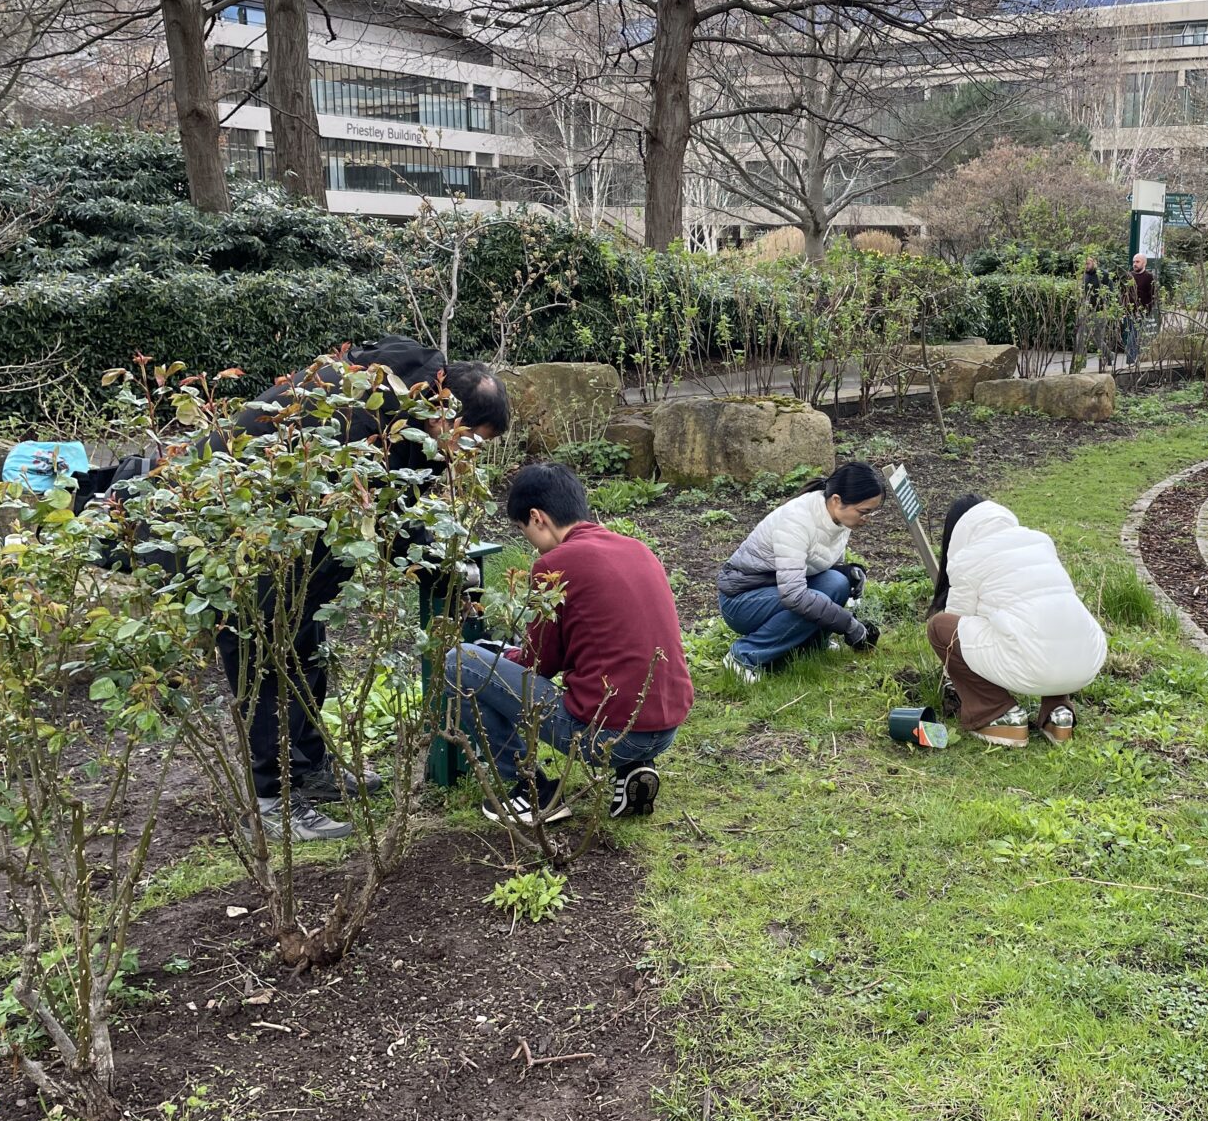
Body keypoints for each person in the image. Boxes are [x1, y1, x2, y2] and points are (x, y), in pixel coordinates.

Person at [217, 335, 509, 842]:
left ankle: (308, 768)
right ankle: (271, 803)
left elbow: (407, 499)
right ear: (444, 409)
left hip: (296, 540)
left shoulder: (407, 412)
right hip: (243, 536)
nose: (468, 455)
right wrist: (435, 565)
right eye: (470, 440)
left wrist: (441, 562)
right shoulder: (363, 415)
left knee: (304, 648)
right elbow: (392, 513)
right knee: (265, 655)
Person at [445, 463, 693, 826]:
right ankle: (634, 768)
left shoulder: (556, 564)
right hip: (666, 725)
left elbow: (539, 665)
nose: (527, 539)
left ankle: (528, 792)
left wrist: (502, 653)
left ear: (537, 517)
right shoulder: (637, 549)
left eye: (522, 529)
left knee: (459, 660)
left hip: (607, 735)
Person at [927, 495, 1108, 746]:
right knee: (1048, 621)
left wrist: (952, 676)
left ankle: (996, 713)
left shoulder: (969, 558)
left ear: (957, 531)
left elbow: (959, 621)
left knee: (940, 627)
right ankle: (1058, 712)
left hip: (1034, 663)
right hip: (1088, 656)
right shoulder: (1041, 542)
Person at [716, 462, 886, 681]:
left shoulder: (838, 519)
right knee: (813, 602)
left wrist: (848, 572)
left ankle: (812, 645)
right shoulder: (796, 521)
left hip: (775, 588)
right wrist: (849, 624)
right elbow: (794, 596)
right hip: (742, 601)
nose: (866, 519)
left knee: (837, 582)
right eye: (864, 512)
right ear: (837, 500)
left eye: (871, 513)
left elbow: (819, 566)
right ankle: (743, 656)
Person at [1122, 252, 1158, 366]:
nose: (1135, 264)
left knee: (1133, 338)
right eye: (1134, 262)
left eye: (1137, 262)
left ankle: (1130, 363)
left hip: (1140, 314)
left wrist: (1145, 311)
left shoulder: (1149, 277)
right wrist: (1123, 310)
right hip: (1129, 312)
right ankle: (1134, 360)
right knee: (1131, 338)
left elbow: (1153, 297)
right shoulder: (1130, 276)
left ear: (1144, 263)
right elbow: (1124, 294)